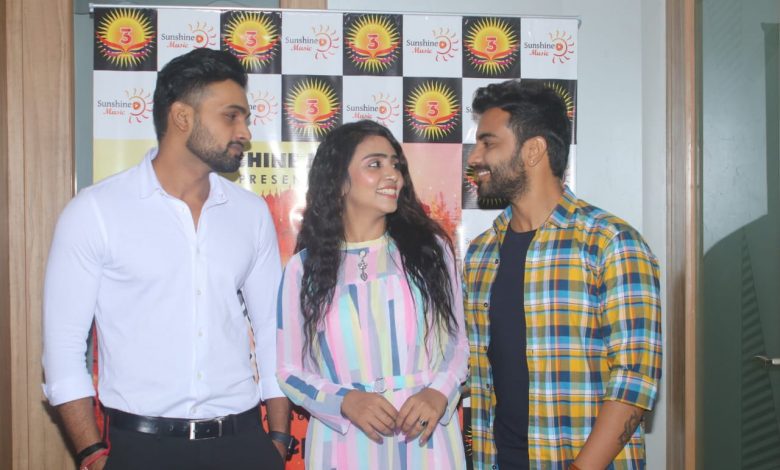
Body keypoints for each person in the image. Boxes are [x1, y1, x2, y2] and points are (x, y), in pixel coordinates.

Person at [42, 48, 291, 470]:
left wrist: (278, 440)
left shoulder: (250, 214)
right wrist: (90, 453)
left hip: (243, 442)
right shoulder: (96, 211)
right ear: (181, 117)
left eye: (245, 118)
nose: (245, 132)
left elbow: (272, 331)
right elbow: (63, 350)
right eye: (231, 116)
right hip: (140, 448)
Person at [463, 80, 662, 470]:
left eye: (488, 143)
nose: (475, 157)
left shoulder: (610, 243)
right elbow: (476, 367)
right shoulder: (481, 253)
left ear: (533, 150)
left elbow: (634, 381)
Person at [276, 120, 469, 469]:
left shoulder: (431, 252)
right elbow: (289, 370)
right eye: (375, 164)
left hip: (425, 440)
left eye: (395, 164)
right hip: (343, 445)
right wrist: (344, 401)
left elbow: (458, 345)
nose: (392, 174)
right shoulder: (303, 269)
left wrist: (438, 392)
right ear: (339, 181)